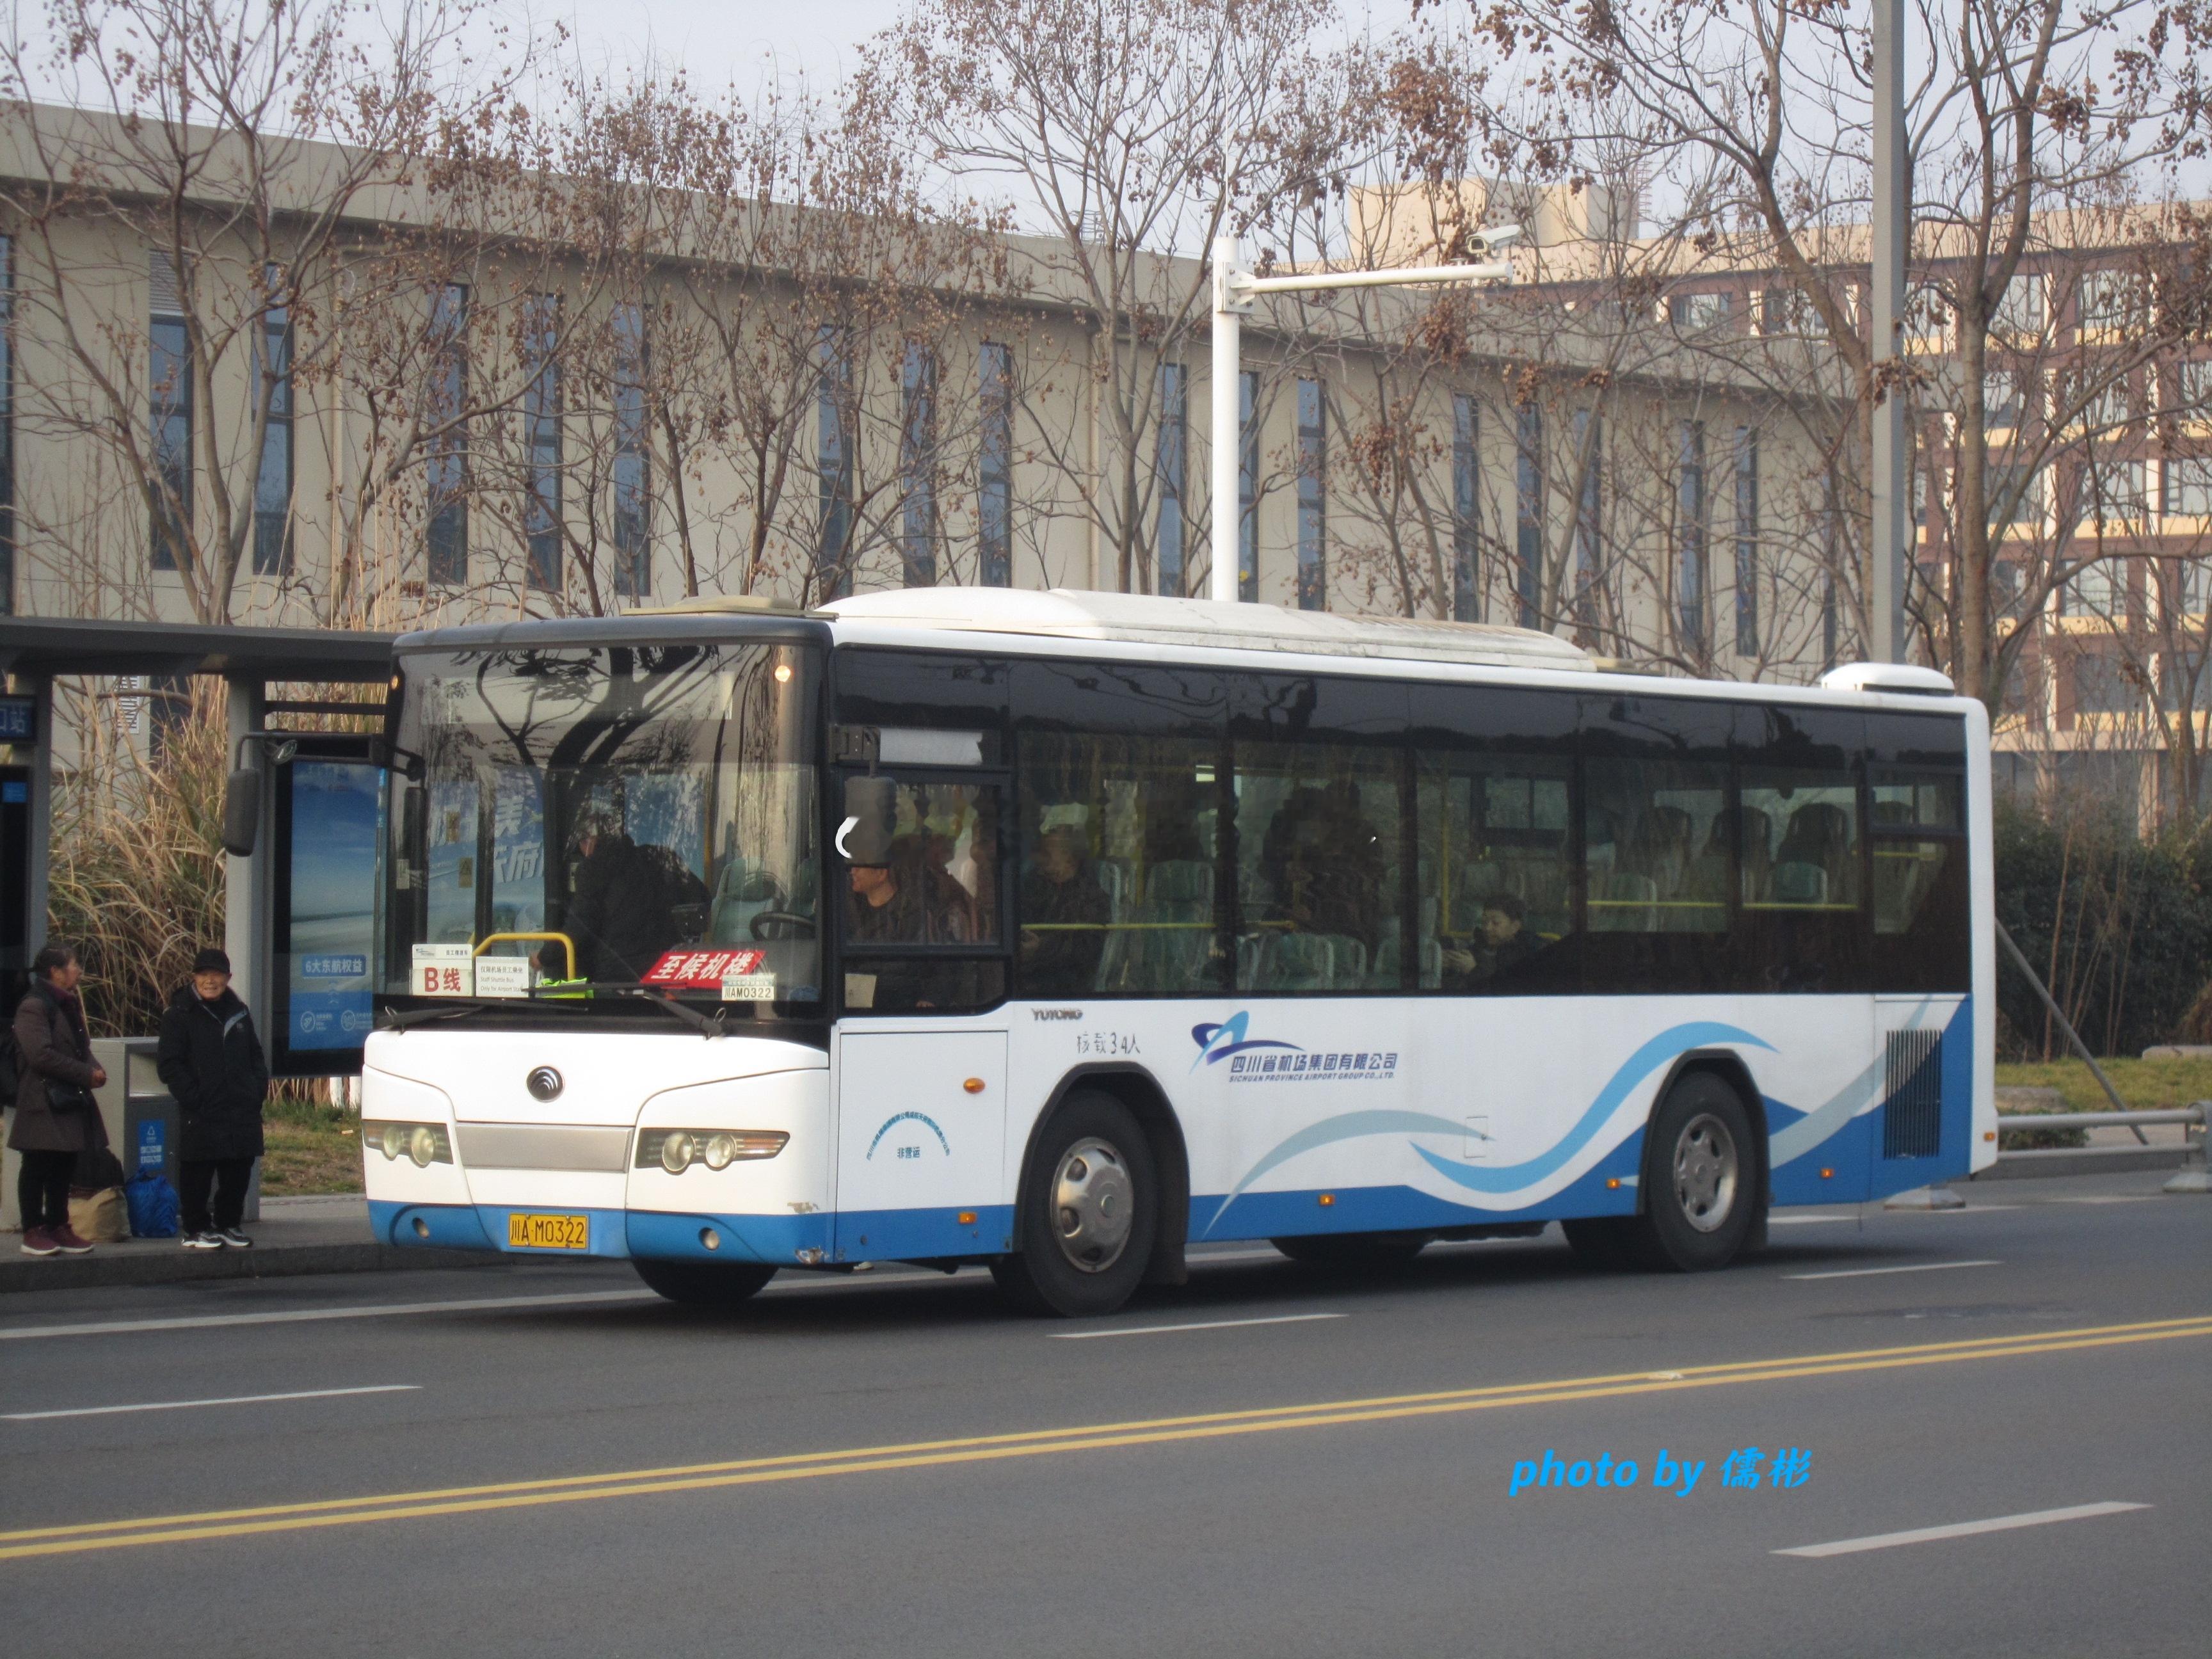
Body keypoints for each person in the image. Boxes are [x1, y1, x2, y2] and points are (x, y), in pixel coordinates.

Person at [156, 947, 270, 1250]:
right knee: (198, 1170)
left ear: (228, 978)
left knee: (238, 1169)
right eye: (204, 974)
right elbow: (169, 1064)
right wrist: (195, 1098)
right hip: (202, 1109)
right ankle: (195, 1229)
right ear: (194, 977)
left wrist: (256, 1091)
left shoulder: (239, 1011)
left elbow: (256, 1056)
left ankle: (228, 1224)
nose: (210, 981)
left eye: (217, 975)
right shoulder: (179, 1014)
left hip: (241, 1108)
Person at [10, 942, 109, 1256]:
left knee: (64, 1163)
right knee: (37, 1163)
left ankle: (58, 1225)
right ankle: (33, 1229)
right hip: (42, 1099)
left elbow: (80, 1047)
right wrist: (84, 1073)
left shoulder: (67, 1003)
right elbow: (40, 1055)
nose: (78, 970)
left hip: (67, 1098)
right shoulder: (34, 1005)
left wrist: (95, 1069)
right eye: (73, 965)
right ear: (55, 971)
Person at [1019, 827, 1110, 993]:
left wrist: (1040, 948)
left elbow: (1085, 949)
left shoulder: (1092, 898)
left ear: (1070, 859)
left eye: (1047, 854)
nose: (1040, 859)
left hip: (1068, 988)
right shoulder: (1035, 886)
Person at [1441, 892, 1537, 990]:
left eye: (1496, 923)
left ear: (1514, 927)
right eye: (1484, 921)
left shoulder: (1527, 955)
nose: (1487, 928)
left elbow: (1507, 990)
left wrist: (1473, 971)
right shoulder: (1477, 947)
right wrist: (1451, 966)